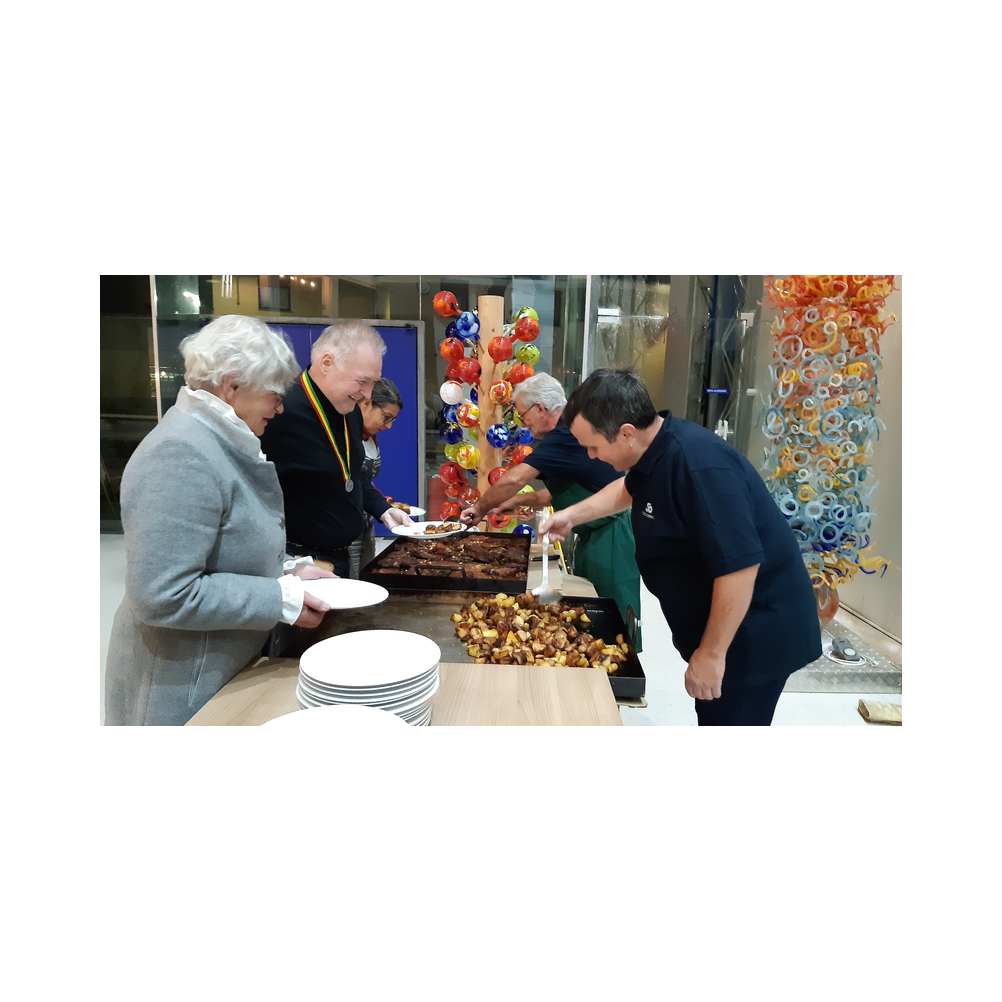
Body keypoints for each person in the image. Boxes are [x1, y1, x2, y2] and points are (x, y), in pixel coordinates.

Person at [539, 368, 822, 726]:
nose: (592, 457)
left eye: (594, 446)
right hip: (721, 624)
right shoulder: (654, 450)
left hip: (752, 632)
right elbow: (630, 487)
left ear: (626, 433)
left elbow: (739, 567)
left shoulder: (699, 468)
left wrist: (712, 655)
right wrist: (572, 515)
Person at [104, 315, 337, 726]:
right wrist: (280, 599)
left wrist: (290, 570)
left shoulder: (218, 438)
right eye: (274, 395)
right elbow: (163, 594)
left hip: (220, 673)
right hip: (181, 688)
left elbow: (223, 547)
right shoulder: (180, 451)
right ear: (232, 385)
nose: (280, 408)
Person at [458, 372, 642, 648]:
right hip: (596, 534)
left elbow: (515, 478)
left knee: (613, 614)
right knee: (591, 610)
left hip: (613, 535)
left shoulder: (565, 434)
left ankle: (620, 679)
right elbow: (561, 493)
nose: (523, 424)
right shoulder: (567, 435)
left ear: (540, 408)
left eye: (522, 416)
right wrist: (516, 502)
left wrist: (479, 508)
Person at [260, 320, 411, 578]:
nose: (367, 395)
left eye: (373, 383)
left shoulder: (348, 408)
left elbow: (353, 475)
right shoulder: (280, 410)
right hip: (297, 562)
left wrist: (383, 510)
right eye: (362, 381)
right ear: (327, 363)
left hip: (340, 557)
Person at [349, 377, 404, 578]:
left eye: (392, 420)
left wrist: (382, 504)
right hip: (346, 526)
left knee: (366, 576)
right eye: (386, 417)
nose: (388, 426)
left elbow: (363, 481)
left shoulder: (370, 435)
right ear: (366, 404)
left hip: (366, 522)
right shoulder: (345, 437)